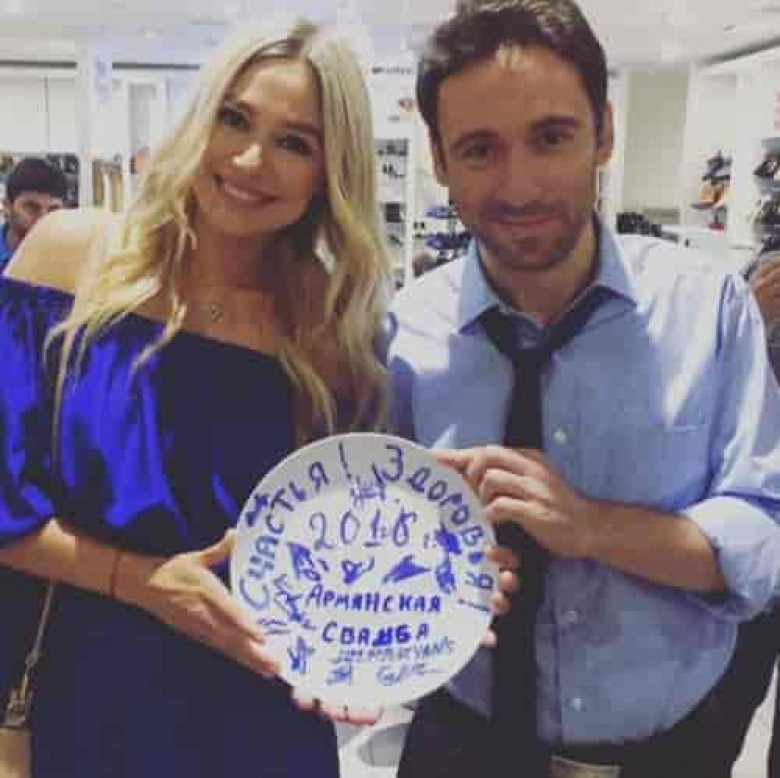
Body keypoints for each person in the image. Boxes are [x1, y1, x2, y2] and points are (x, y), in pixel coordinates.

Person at [386, 1, 780, 777]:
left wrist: (593, 527)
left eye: (551, 137)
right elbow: (380, 533)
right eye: (479, 149)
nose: (519, 186)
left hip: (671, 752)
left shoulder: (707, 309)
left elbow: (765, 532)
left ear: (603, 132)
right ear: (439, 161)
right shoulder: (405, 333)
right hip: (459, 744)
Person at [0, 18, 393, 778]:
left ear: (329, 171)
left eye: (295, 143)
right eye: (234, 119)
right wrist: (141, 582)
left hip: (260, 711)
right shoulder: (69, 257)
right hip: (86, 696)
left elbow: (343, 544)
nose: (249, 160)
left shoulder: (331, 330)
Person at [0, 156, 67, 270]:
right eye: (31, 208)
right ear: (7, 206)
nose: (43, 220)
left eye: (53, 210)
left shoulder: (73, 257)